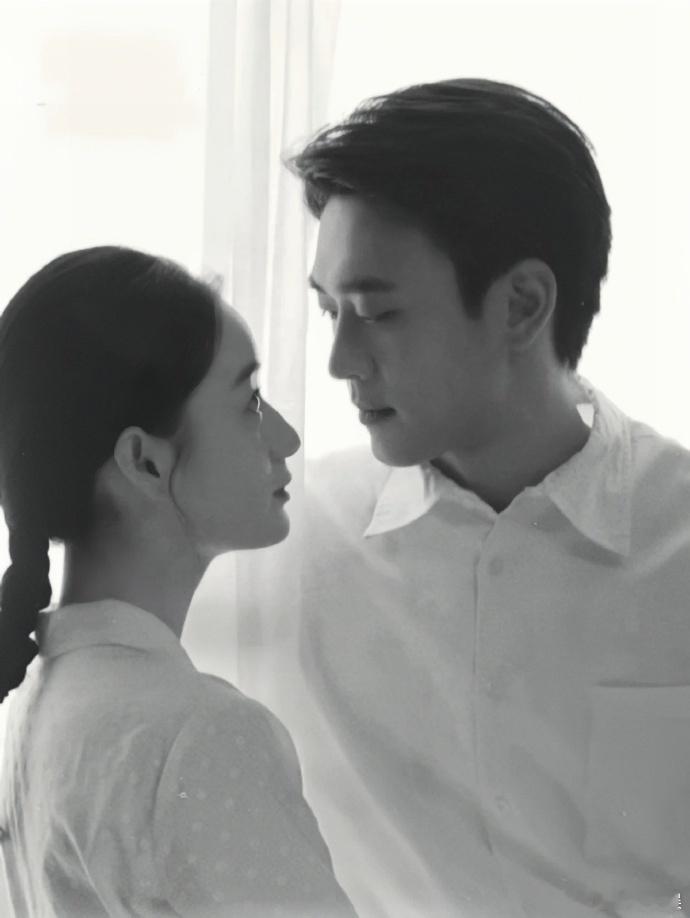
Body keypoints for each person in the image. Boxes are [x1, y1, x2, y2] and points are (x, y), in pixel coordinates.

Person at [248, 78, 690, 916]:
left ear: (521, 304)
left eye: (377, 313)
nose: (339, 361)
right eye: (329, 311)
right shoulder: (283, 537)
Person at [0, 246, 357, 918]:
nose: (286, 438)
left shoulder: (39, 698)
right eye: (250, 402)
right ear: (144, 461)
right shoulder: (201, 736)